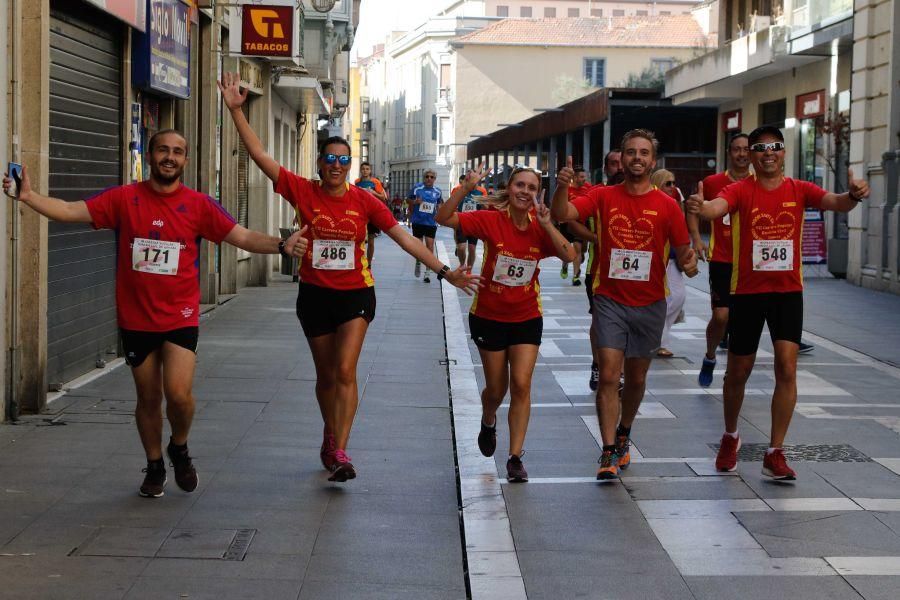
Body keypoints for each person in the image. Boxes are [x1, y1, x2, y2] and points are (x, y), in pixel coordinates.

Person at [3, 129, 308, 498]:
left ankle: (178, 445)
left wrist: (280, 245)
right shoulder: (124, 198)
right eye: (163, 150)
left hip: (180, 315)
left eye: (178, 152)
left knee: (178, 395)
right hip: (136, 317)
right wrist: (29, 196)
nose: (170, 157)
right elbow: (70, 211)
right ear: (150, 156)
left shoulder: (198, 205)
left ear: (185, 160)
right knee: (148, 398)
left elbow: (240, 237)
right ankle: (154, 464)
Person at [219, 73, 480, 482]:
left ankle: (341, 449)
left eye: (344, 160)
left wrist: (445, 272)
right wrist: (236, 111)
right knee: (325, 377)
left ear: (350, 166)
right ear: (321, 163)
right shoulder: (303, 191)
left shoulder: (366, 201)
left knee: (345, 371)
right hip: (315, 296)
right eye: (331, 159)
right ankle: (330, 434)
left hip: (356, 294)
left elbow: (404, 239)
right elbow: (262, 157)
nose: (338, 166)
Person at [686, 125, 869, 480]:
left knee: (787, 368)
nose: (768, 152)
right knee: (739, 372)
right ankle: (730, 436)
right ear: (752, 156)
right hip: (748, 293)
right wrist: (701, 206)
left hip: (787, 293)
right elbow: (716, 207)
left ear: (783, 152)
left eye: (775, 146)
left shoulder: (799, 189)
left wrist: (854, 195)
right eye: (760, 148)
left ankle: (775, 450)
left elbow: (836, 203)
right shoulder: (740, 189)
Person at [552, 130, 698, 481]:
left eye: (643, 153)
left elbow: (684, 252)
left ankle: (624, 430)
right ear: (623, 157)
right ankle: (606, 450)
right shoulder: (602, 196)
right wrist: (561, 186)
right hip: (609, 299)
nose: (636, 157)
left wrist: (691, 263)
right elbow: (563, 213)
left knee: (636, 378)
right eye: (630, 152)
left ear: (652, 160)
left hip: (649, 303)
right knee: (608, 376)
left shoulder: (666, 205)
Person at [437, 165, 575, 482]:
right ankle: (488, 418)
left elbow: (569, 256)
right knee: (497, 389)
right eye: (520, 185)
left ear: (537, 193)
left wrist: (548, 226)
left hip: (526, 316)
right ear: (509, 189)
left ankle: (515, 457)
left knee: (522, 385)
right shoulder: (490, 219)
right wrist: (465, 188)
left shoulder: (541, 226)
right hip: (489, 315)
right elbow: (443, 219)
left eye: (532, 187)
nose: (525, 192)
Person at [650, 169, 687, 358]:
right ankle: (659, 340)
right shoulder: (652, 203)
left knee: (677, 298)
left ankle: (657, 336)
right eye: (668, 183)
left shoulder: (675, 205)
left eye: (673, 183)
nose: (672, 187)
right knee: (665, 301)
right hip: (656, 260)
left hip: (673, 260)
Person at [408, 169, 443, 282]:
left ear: (434, 179)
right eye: (427, 176)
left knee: (430, 246)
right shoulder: (417, 188)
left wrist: (441, 217)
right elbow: (408, 200)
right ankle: (418, 262)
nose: (429, 178)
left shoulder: (438, 191)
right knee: (418, 247)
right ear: (424, 178)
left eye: (432, 177)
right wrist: (415, 202)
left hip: (431, 223)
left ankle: (428, 272)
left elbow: (439, 205)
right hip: (418, 221)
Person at [451, 173, 488, 269]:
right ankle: (462, 265)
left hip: (474, 223)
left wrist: (482, 202)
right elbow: (452, 204)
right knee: (461, 248)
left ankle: (469, 270)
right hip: (461, 221)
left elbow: (486, 208)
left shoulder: (482, 191)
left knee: (472, 249)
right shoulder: (458, 189)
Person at [354, 162, 388, 266]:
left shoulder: (375, 182)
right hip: (360, 213)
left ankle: (368, 263)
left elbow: (383, 198)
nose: (365, 171)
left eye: (367, 169)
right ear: (360, 170)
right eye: (363, 169)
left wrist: (373, 193)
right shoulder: (357, 182)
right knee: (359, 239)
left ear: (370, 171)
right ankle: (359, 261)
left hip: (372, 214)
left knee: (371, 240)